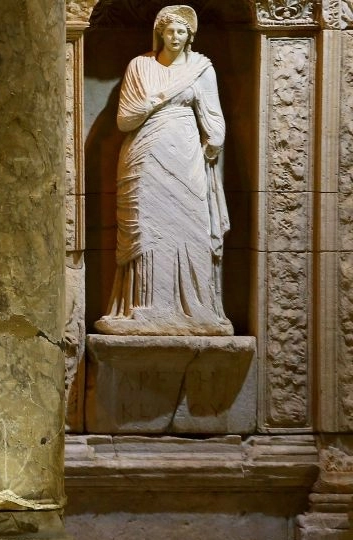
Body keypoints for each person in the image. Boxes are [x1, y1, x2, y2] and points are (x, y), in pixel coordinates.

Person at [95, 5, 233, 336]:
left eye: (181, 32)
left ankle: (198, 308)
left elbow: (213, 117)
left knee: (191, 227)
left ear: (190, 36)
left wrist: (214, 141)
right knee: (147, 228)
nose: (175, 37)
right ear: (160, 33)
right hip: (144, 157)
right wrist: (155, 99)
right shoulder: (140, 67)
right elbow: (124, 119)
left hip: (186, 158)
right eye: (169, 31)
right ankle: (141, 309)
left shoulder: (201, 70)